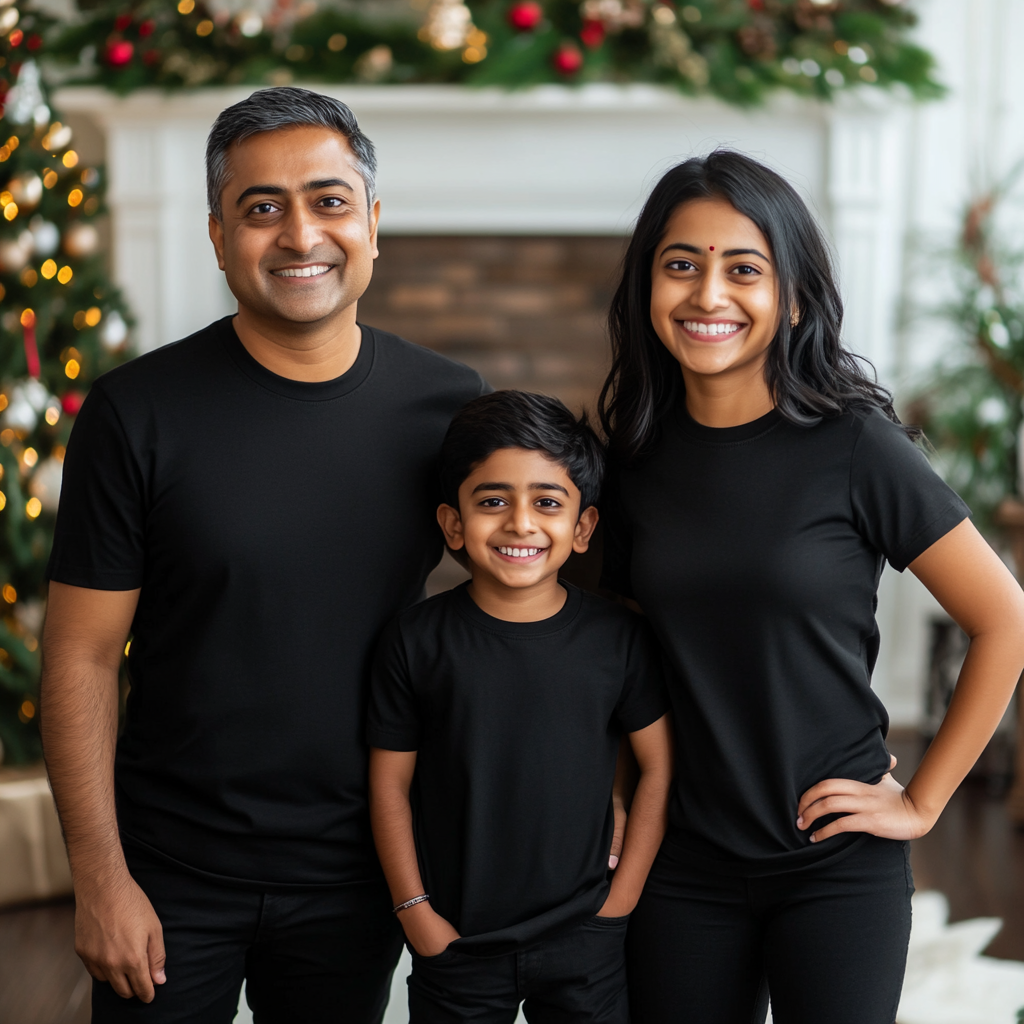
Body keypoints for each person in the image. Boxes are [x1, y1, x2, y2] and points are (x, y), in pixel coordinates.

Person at [39, 86, 488, 1023]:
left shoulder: (449, 408)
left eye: (328, 201)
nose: (299, 236)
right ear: (216, 234)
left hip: (355, 871)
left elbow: (525, 606)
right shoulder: (136, 413)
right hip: (167, 873)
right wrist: (99, 878)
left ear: (372, 220)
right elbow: (80, 655)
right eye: (260, 208)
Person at [597, 150, 1024, 1024]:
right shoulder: (631, 460)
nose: (708, 294)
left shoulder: (857, 447)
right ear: (647, 286)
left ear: (791, 297)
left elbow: (1004, 618)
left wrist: (923, 799)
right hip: (679, 856)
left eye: (743, 269)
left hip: (834, 858)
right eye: (681, 265)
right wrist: (607, 786)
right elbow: (618, 650)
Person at [367, 390, 673, 1024]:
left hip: (586, 938)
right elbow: (389, 787)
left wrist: (621, 902)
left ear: (582, 527)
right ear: (453, 523)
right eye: (493, 501)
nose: (520, 523)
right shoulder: (415, 640)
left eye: (548, 503)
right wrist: (414, 912)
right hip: (459, 943)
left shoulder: (617, 639)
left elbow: (659, 771)